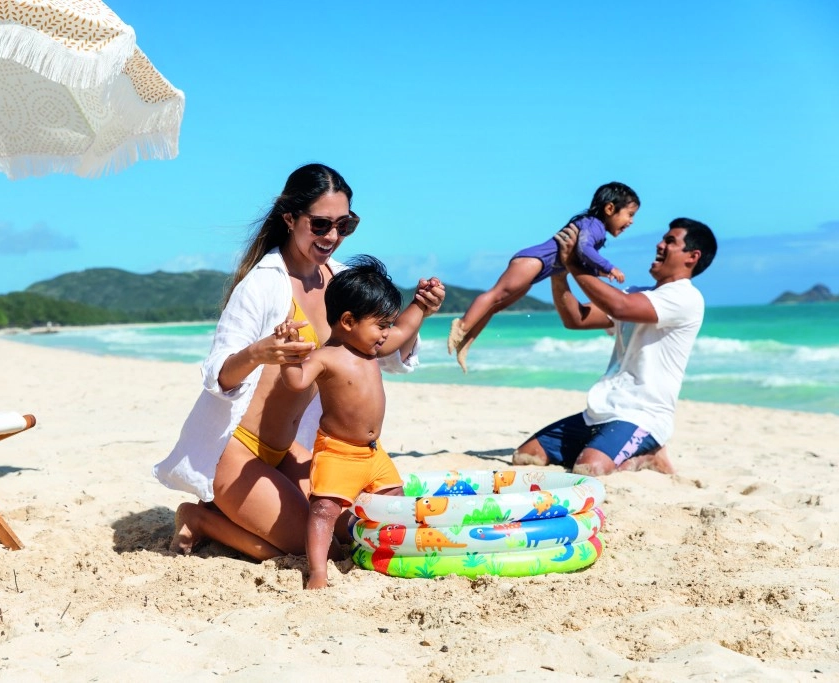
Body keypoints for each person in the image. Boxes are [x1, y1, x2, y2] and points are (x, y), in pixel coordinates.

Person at [153, 163, 445, 561]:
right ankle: (202, 518)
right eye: (321, 224)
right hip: (236, 451)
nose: (333, 236)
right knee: (312, 552)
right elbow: (218, 374)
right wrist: (259, 353)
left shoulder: (342, 281)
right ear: (290, 218)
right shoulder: (262, 283)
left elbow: (381, 352)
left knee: (351, 533)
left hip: (290, 450)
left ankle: (234, 511)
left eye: (344, 225)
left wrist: (420, 311)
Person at [513, 217, 717, 476]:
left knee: (589, 469)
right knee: (526, 457)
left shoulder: (686, 297)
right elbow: (576, 319)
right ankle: (618, 450)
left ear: (692, 256)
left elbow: (620, 306)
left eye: (670, 241)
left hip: (643, 416)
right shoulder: (637, 294)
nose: (659, 245)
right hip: (601, 412)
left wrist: (574, 263)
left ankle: (649, 453)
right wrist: (560, 272)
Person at [278, 255, 407, 589]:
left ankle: (386, 552)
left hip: (374, 453)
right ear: (348, 321)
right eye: (381, 325)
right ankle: (318, 572)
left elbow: (405, 331)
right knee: (324, 510)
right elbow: (297, 381)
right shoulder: (326, 356)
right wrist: (288, 355)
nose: (386, 333)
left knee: (396, 500)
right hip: (338, 452)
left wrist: (422, 305)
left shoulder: (370, 351)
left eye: (388, 325)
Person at [447, 182, 640, 372]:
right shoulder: (593, 225)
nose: (631, 221)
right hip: (534, 261)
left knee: (495, 307)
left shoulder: (597, 230)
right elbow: (584, 249)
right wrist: (609, 267)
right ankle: (462, 324)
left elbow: (581, 260)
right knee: (497, 295)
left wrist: (601, 272)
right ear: (609, 208)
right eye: (630, 214)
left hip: (541, 268)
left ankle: (465, 344)